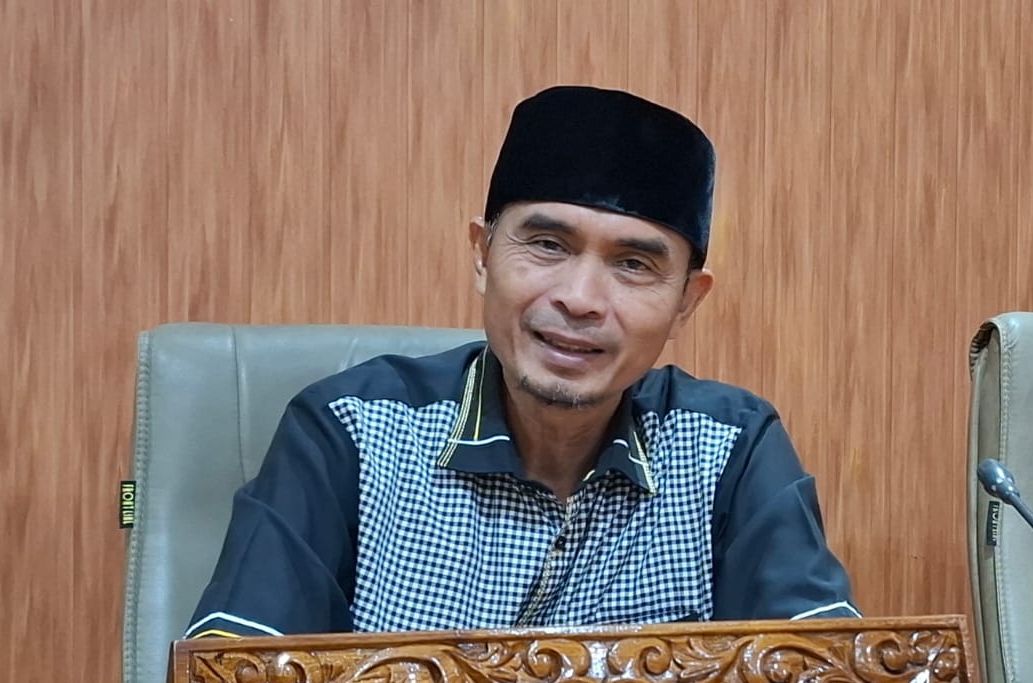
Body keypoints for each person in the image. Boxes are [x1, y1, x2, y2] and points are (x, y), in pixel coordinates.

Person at [184, 85, 857, 639]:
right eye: (547, 245)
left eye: (633, 264)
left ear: (686, 302)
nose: (580, 298)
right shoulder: (348, 432)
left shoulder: (730, 449)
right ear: (482, 255)